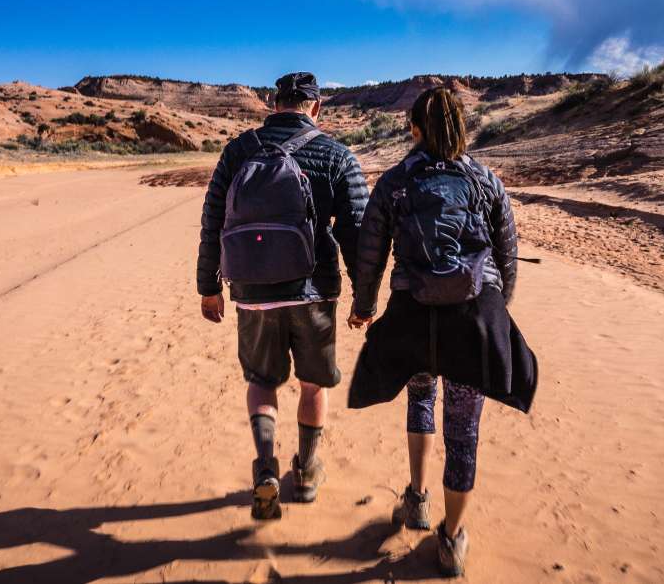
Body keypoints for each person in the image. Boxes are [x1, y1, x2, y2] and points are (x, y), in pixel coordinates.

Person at [346, 86, 537, 577]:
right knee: (464, 428)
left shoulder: (395, 182)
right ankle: (451, 540)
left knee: (420, 398)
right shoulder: (487, 181)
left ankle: (417, 500)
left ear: (414, 129)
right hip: (472, 319)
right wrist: (497, 307)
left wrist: (364, 307)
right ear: (462, 127)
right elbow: (507, 255)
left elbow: (371, 256)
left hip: (414, 315)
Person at [197, 71, 368, 520]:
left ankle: (266, 469)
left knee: (261, 381)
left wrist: (208, 287)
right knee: (313, 383)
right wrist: (364, 299)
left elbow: (213, 218)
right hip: (313, 292)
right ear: (316, 107)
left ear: (274, 105)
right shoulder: (335, 154)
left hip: (252, 292)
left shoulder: (238, 151)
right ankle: (308, 473)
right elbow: (357, 234)